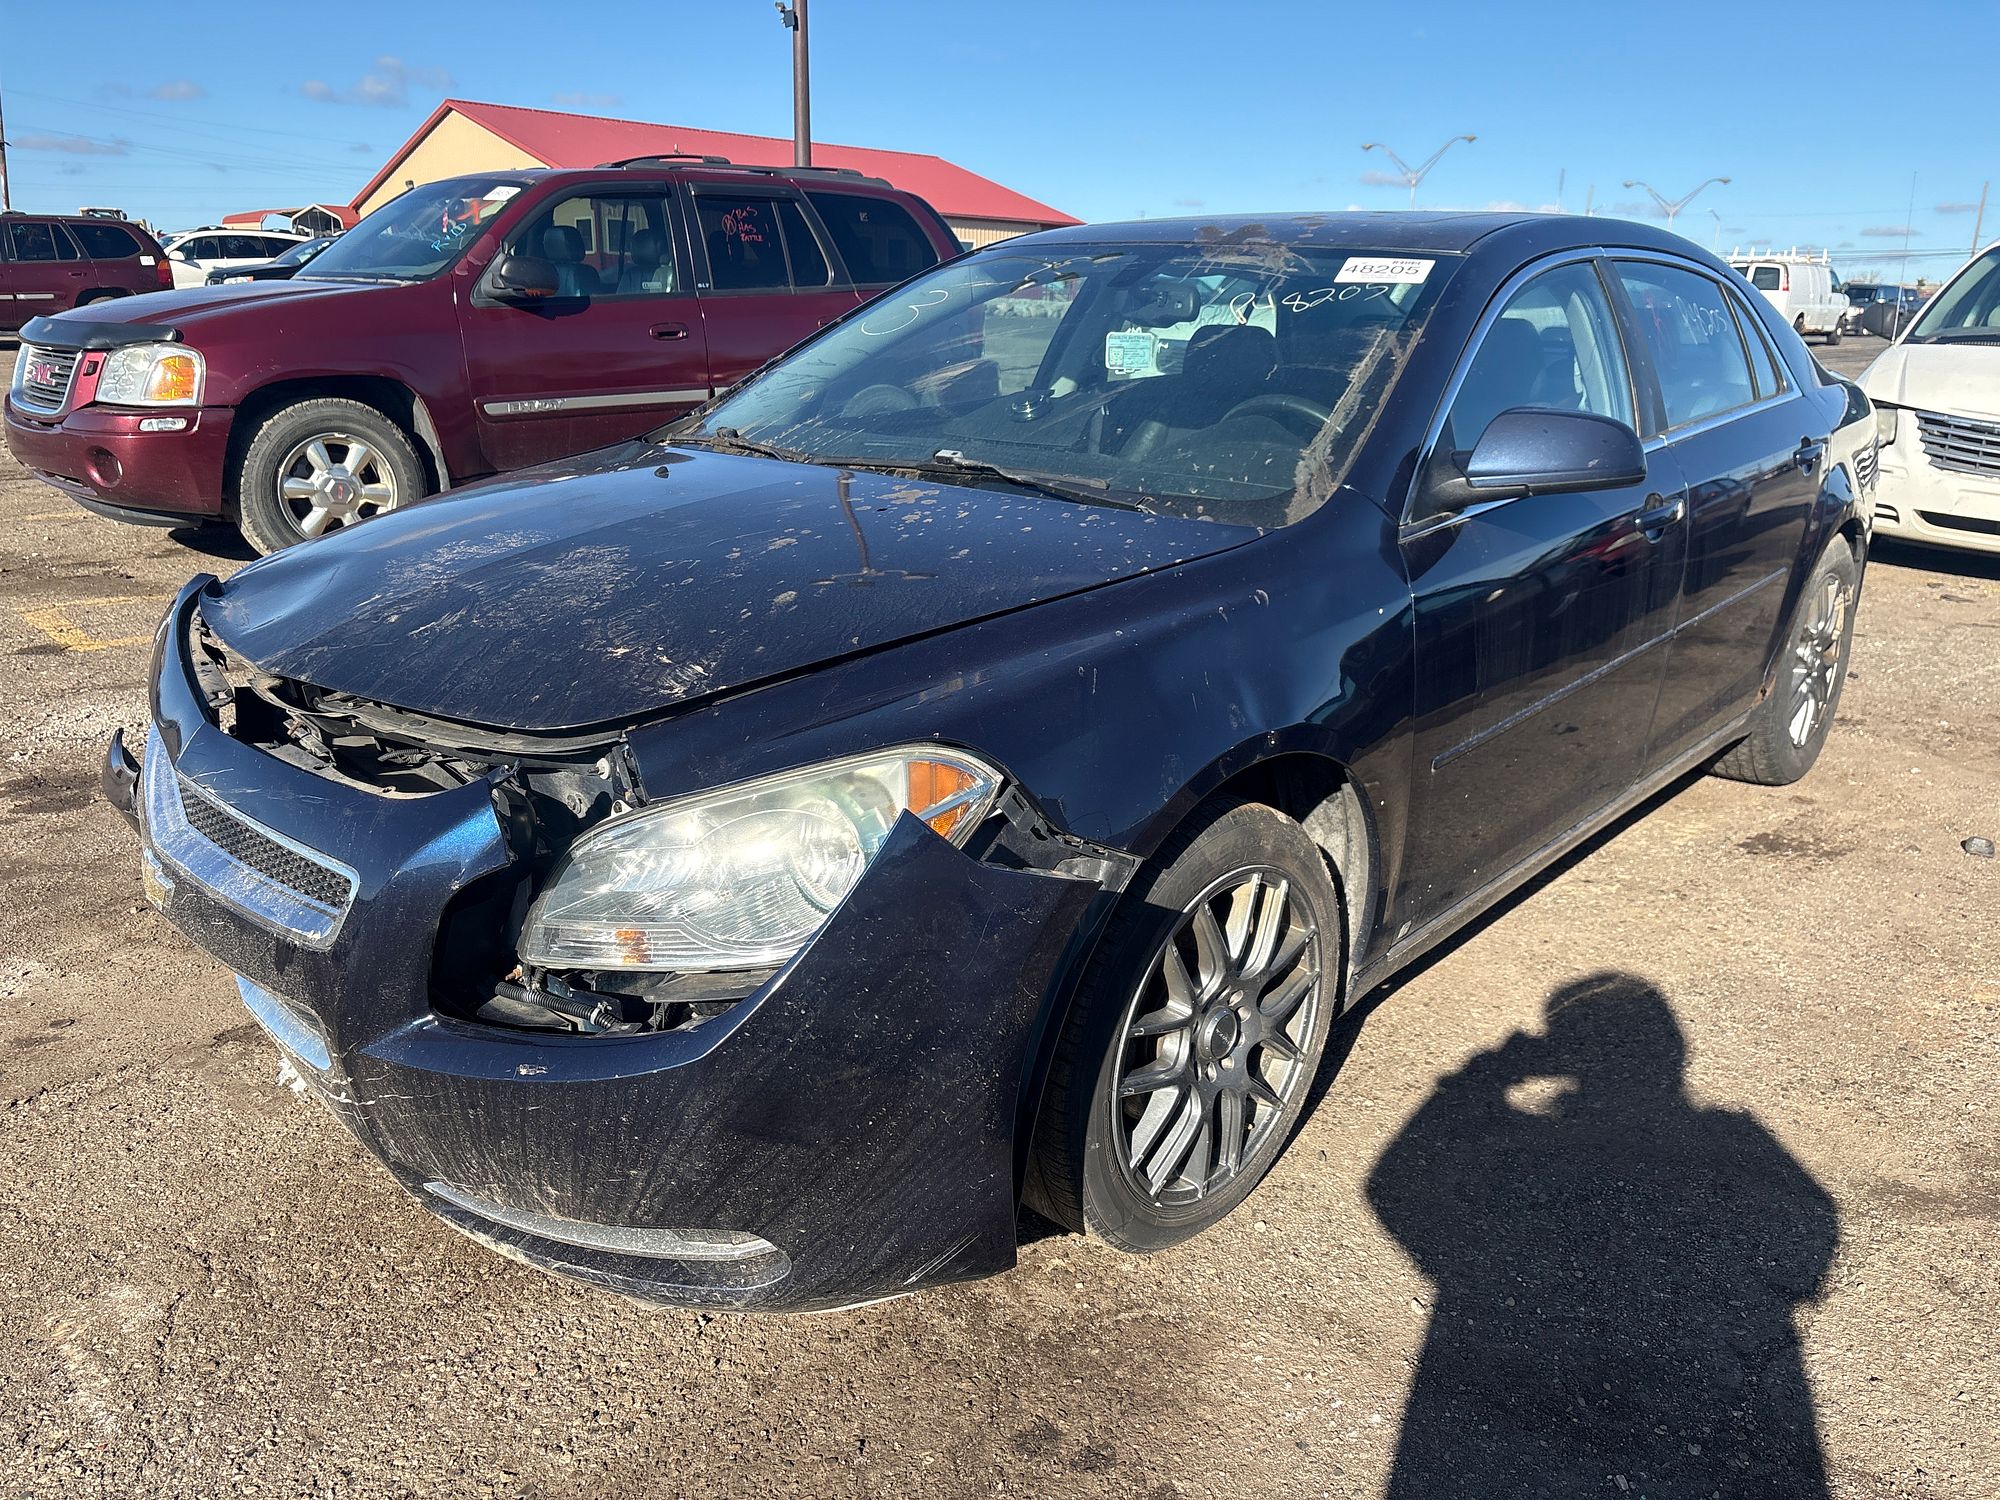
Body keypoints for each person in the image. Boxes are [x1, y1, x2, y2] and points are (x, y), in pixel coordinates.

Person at [1367, 973, 1837, 1499]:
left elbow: (1392, 1185)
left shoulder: (1715, 1138)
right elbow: (1806, 1242)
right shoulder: (1729, 1138)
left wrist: (1483, 1076)